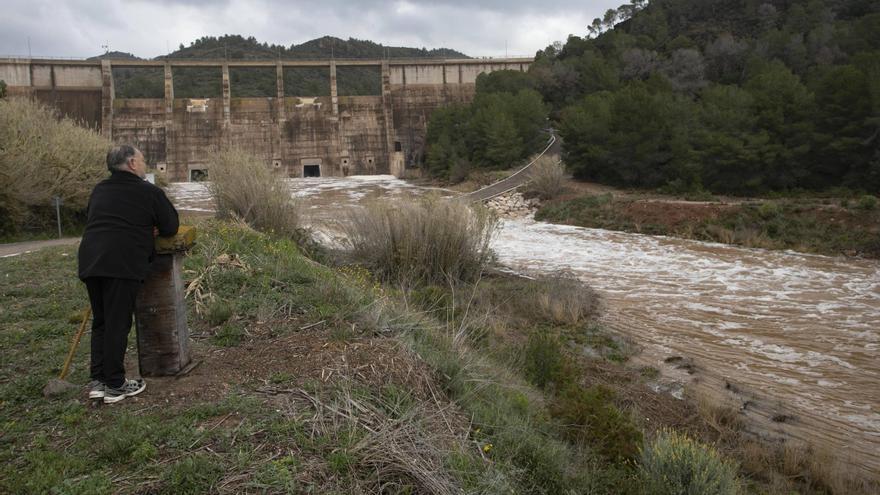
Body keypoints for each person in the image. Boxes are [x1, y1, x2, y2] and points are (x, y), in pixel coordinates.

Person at [78, 145, 179, 404]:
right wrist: (150, 227)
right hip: (121, 263)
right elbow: (170, 226)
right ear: (132, 163)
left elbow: (96, 218)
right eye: (143, 160)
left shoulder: (100, 189)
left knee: (102, 321)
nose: (145, 165)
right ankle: (115, 385)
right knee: (117, 323)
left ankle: (99, 381)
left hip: (91, 259)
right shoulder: (149, 192)